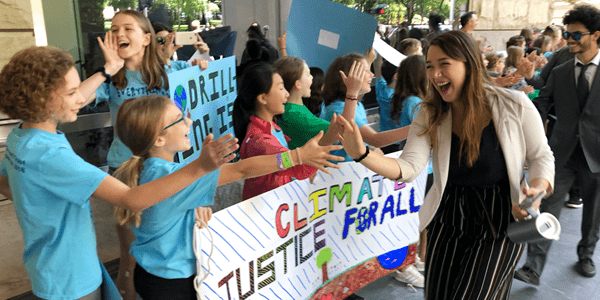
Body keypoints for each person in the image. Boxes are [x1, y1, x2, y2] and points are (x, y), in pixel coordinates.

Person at [0, 46, 240, 300]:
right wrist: (200, 167)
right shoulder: (51, 155)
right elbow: (131, 199)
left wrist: (107, 71)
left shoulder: (21, 136)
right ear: (41, 99)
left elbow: (6, 181)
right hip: (72, 279)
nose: (81, 100)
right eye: (72, 93)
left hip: (47, 266)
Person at [338, 30, 554, 299]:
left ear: (469, 63)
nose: (435, 74)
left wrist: (536, 189)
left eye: (444, 64)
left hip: (499, 220)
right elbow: (408, 167)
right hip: (449, 217)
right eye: (430, 66)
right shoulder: (430, 112)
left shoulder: (513, 104)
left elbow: (541, 156)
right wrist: (361, 154)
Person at [111, 95, 343, 299]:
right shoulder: (168, 176)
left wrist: (195, 205)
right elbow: (240, 170)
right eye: (180, 119)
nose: (189, 122)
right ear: (158, 139)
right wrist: (297, 156)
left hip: (154, 275)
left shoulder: (149, 169)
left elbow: (172, 206)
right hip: (172, 284)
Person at [78, 10, 200, 299]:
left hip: (168, 170)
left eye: (128, 28)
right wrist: (108, 68)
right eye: (114, 28)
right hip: (126, 171)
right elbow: (77, 99)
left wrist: (202, 68)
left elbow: (196, 91)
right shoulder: (111, 79)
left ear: (146, 38)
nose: (120, 33)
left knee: (166, 246)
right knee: (130, 251)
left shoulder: (171, 72)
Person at [515, 4, 600, 284]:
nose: (569, 39)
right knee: (547, 204)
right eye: (568, 33)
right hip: (561, 152)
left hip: (597, 155)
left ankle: (586, 254)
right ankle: (533, 266)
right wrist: (529, 78)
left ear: (596, 35)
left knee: (594, 209)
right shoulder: (562, 70)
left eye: (576, 34)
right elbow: (541, 92)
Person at [233, 63, 347, 200]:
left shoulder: (273, 127)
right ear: (263, 98)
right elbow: (297, 168)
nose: (287, 94)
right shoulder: (261, 142)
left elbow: (289, 166)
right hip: (268, 210)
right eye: (281, 88)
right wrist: (325, 142)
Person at [320, 52, 410, 162]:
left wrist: (371, 149)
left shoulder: (358, 104)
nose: (372, 75)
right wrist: (415, 128)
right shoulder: (338, 109)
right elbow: (374, 139)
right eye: (367, 71)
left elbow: (363, 140)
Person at [273, 56, 346, 150]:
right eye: (308, 74)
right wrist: (352, 93)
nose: (312, 77)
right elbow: (341, 130)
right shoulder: (295, 115)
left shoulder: (290, 108)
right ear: (297, 84)